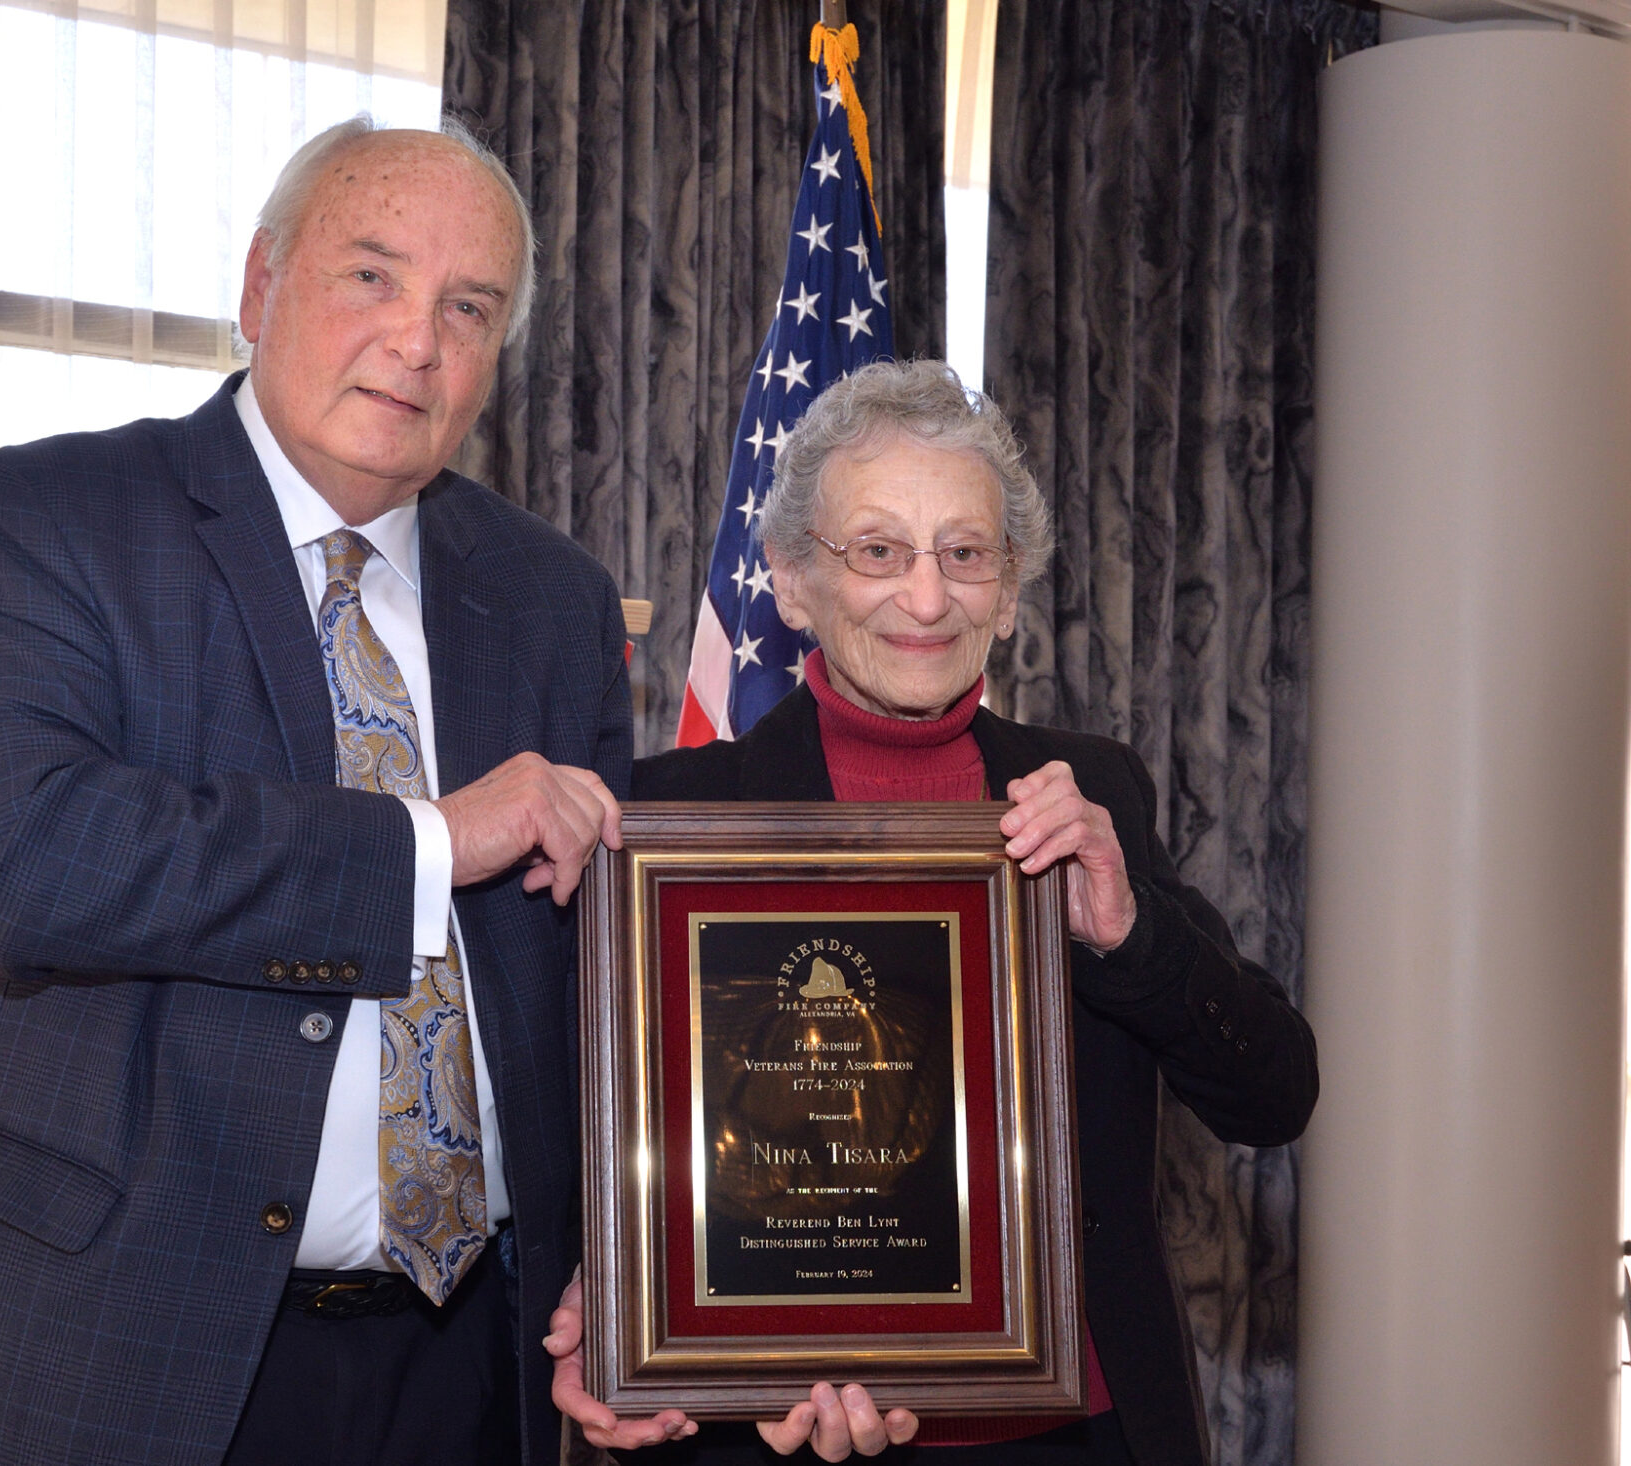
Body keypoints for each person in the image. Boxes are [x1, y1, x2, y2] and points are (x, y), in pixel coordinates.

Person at [0, 117, 630, 1466]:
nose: (417, 340)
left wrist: (643, 1275)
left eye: (469, 306)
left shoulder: (554, 597)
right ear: (262, 286)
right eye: (371, 275)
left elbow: (602, 988)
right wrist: (434, 840)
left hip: (468, 1369)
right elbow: (33, 861)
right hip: (107, 1353)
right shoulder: (51, 516)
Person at [548, 359, 1318, 1465]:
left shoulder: (1086, 790)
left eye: (964, 553)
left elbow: (1273, 1087)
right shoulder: (670, 822)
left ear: (1008, 589)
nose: (924, 596)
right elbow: (615, 1144)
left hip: (1072, 1427)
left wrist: (1126, 932)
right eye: (876, 550)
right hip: (779, 1425)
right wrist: (615, 1295)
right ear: (794, 581)